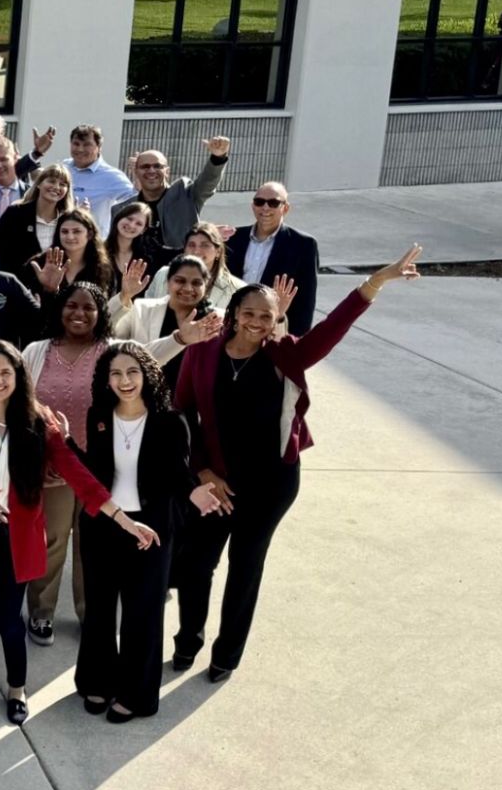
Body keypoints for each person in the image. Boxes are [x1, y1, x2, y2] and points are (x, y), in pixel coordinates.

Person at [170, 247, 422, 680]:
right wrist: (203, 472)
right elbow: (182, 414)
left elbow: (331, 330)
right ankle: (187, 641)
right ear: (234, 314)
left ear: (276, 320)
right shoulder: (203, 352)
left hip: (269, 484)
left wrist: (375, 282)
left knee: (245, 568)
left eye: (266, 317)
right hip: (215, 480)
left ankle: (226, 655)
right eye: (249, 313)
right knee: (196, 564)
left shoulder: (283, 353)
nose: (257, 322)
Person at [0, 341, 152, 726]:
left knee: (8, 617)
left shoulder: (38, 420)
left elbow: (77, 474)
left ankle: (17, 688)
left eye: (6, 373)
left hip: (15, 536)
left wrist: (122, 518)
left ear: (19, 376)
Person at [73, 342, 192, 721]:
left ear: (147, 375)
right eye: (116, 374)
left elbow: (179, 476)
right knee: (99, 609)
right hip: (103, 526)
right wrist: (66, 444)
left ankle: (136, 695)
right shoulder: (98, 415)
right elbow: (94, 472)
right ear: (106, 380)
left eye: (132, 372)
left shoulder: (170, 421)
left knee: (142, 614)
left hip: (150, 532)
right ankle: (97, 681)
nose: (124, 381)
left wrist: (198, 491)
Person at [17, 282, 110, 647]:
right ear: (59, 309)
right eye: (72, 305)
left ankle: (91, 613)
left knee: (93, 545)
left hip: (97, 468)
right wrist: (38, 457)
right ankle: (41, 612)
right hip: (51, 467)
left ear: (101, 313)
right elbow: (21, 405)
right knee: (52, 541)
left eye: (89, 307)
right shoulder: (36, 351)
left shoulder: (112, 352)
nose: (79, 313)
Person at [225, 181, 321, 333]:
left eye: (273, 203)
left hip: (271, 330)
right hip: (231, 326)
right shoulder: (233, 238)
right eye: (259, 202)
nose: (265, 207)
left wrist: (295, 339)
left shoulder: (303, 245)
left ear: (285, 208)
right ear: (253, 206)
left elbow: (305, 300)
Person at [128, 136, 230, 257]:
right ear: (135, 172)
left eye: (157, 166)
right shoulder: (124, 209)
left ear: (167, 171)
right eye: (145, 167)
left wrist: (218, 158)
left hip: (182, 266)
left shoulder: (185, 194)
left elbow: (207, 183)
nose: (151, 170)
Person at [0, 161, 73, 268]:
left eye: (62, 184)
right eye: (52, 181)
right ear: (39, 184)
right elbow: (0, 252)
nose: (56, 187)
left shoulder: (68, 220)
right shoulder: (15, 213)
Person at [64, 125, 134, 216]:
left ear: (99, 147)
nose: (80, 149)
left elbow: (137, 202)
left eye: (87, 145)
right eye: (76, 144)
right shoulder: (64, 168)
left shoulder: (111, 176)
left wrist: (140, 178)